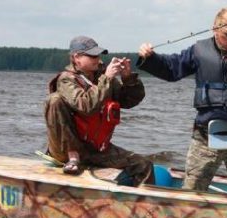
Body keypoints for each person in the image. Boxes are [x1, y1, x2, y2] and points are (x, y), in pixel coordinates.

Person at [137, 7, 227, 196]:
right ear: (215, 29)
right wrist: (150, 58)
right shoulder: (198, 51)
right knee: (192, 191)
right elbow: (171, 69)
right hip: (205, 135)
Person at [44, 35, 154, 187]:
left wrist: (128, 78)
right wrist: (107, 78)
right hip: (67, 150)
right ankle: (73, 157)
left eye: (98, 55)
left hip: (96, 149)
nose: (97, 59)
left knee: (144, 165)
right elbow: (87, 106)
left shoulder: (102, 77)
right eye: (92, 55)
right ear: (77, 57)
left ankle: (145, 204)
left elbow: (129, 101)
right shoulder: (66, 80)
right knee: (55, 100)